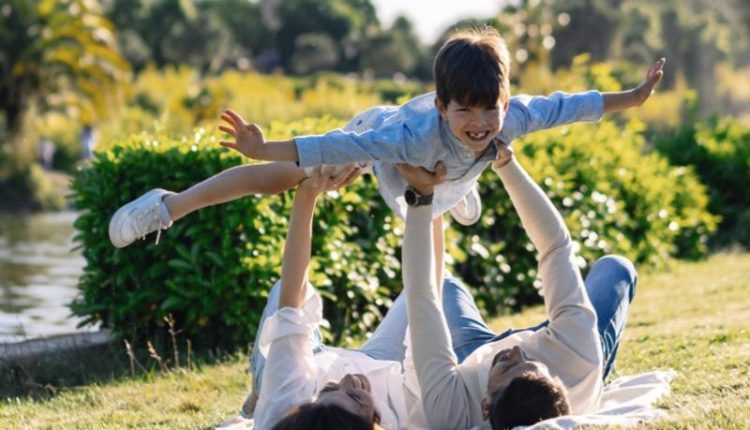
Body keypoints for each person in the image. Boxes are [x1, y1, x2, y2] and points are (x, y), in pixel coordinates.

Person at [108, 27, 664, 251]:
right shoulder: (409, 134)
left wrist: (633, 97)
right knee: (288, 179)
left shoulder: (511, 117)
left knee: (455, 174)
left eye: (489, 109)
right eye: (464, 110)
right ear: (442, 106)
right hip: (383, 147)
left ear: (505, 100)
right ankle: (169, 205)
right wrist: (264, 147)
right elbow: (331, 146)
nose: (479, 120)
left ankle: (457, 189)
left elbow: (572, 105)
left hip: (440, 170)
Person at [397, 144, 638, 429]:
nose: (515, 351)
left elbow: (422, 294)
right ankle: (456, 185)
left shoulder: (450, 413)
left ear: (485, 406)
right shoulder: (577, 359)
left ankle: (447, 192)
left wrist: (422, 196)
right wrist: (506, 164)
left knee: (445, 287)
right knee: (616, 267)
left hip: (471, 361)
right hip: (560, 346)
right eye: (530, 362)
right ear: (557, 381)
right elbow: (555, 247)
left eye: (509, 364)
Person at [247, 164, 431, 430]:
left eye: (329, 389)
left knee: (282, 295)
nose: (347, 380)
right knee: (443, 287)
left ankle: (260, 388)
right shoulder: (409, 421)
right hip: (374, 365)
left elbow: (291, 295)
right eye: (355, 397)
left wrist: (308, 194)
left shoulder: (285, 403)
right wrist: (430, 199)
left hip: (307, 372)